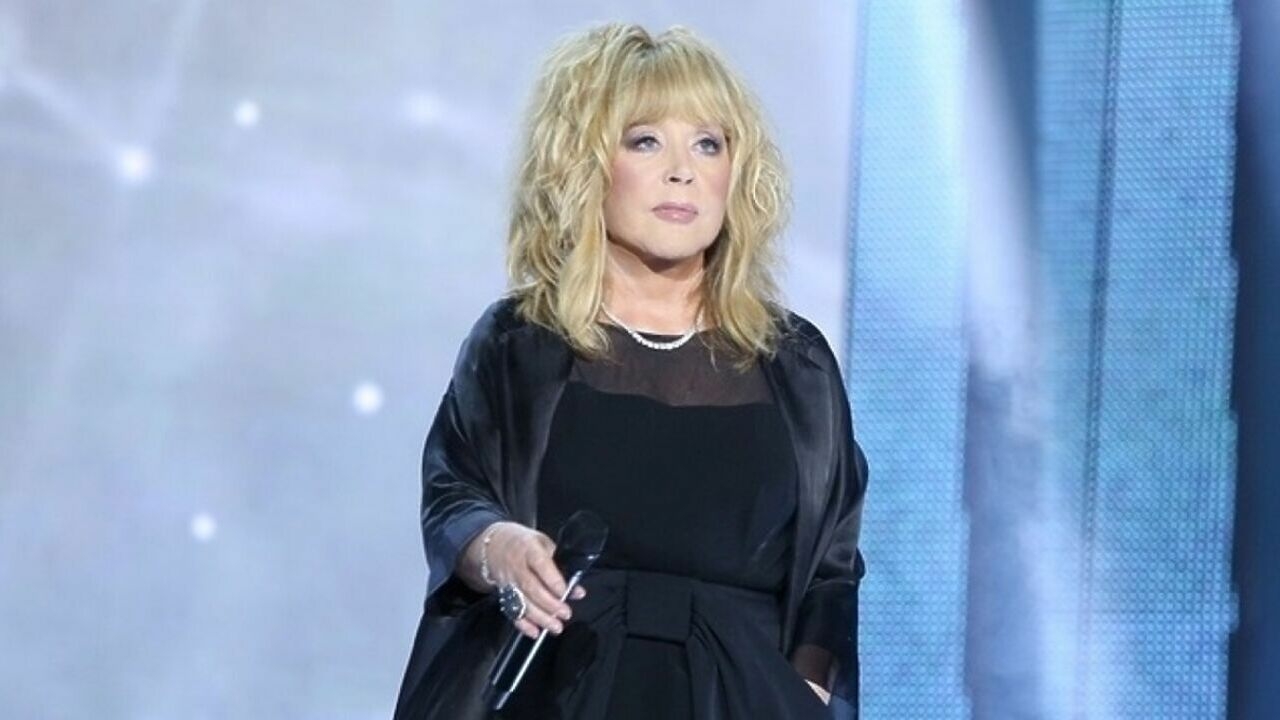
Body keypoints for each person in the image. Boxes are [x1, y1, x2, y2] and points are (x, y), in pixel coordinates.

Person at [392, 22, 868, 720]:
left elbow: (832, 566)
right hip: (555, 695)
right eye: (645, 141)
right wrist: (497, 549)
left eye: (708, 144)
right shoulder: (520, 345)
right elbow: (453, 496)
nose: (682, 171)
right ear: (582, 163)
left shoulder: (796, 365)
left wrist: (805, 693)